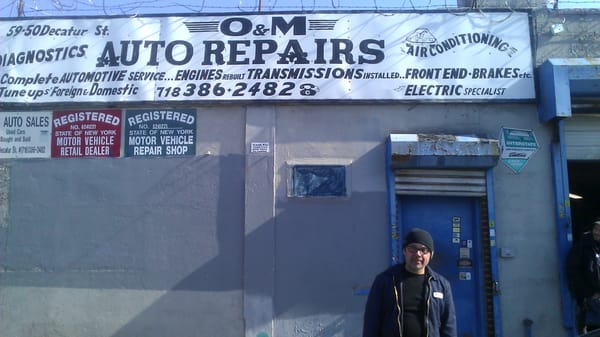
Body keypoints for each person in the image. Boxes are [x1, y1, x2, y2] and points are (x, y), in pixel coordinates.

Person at [363, 227, 457, 337]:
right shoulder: (386, 281)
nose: (418, 254)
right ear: (404, 251)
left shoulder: (441, 285)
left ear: (430, 255)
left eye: (423, 250)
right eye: (412, 249)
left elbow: (448, 325)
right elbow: (372, 321)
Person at [567, 219, 600, 333]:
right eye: (596, 229)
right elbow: (573, 273)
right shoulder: (582, 248)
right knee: (593, 328)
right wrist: (588, 294)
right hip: (591, 299)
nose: (597, 232)